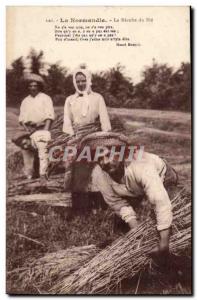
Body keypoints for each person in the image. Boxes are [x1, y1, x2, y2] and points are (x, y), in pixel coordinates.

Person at [79, 132, 178, 255]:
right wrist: (138, 233)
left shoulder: (141, 165)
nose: (104, 162)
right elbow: (116, 202)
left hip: (163, 177)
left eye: (108, 155)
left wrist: (164, 244)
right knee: (123, 229)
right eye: (99, 159)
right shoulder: (99, 174)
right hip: (131, 189)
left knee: (169, 218)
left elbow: (160, 201)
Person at [62, 65, 111, 196]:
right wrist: (73, 136)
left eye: (83, 80)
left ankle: (99, 196)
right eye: (77, 81)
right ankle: (76, 197)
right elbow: (67, 121)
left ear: (88, 80)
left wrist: (103, 137)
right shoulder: (70, 100)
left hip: (95, 136)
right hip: (77, 136)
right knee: (73, 164)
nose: (80, 83)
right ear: (74, 82)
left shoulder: (97, 98)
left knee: (99, 165)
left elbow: (104, 120)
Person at [18, 73, 55, 184]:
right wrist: (28, 129)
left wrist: (45, 131)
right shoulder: (25, 101)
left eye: (35, 85)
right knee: (24, 144)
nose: (33, 88)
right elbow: (22, 119)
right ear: (28, 87)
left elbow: (49, 116)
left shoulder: (45, 98)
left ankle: (43, 174)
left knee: (42, 145)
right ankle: (30, 173)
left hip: (43, 127)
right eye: (30, 86)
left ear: (39, 86)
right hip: (29, 129)